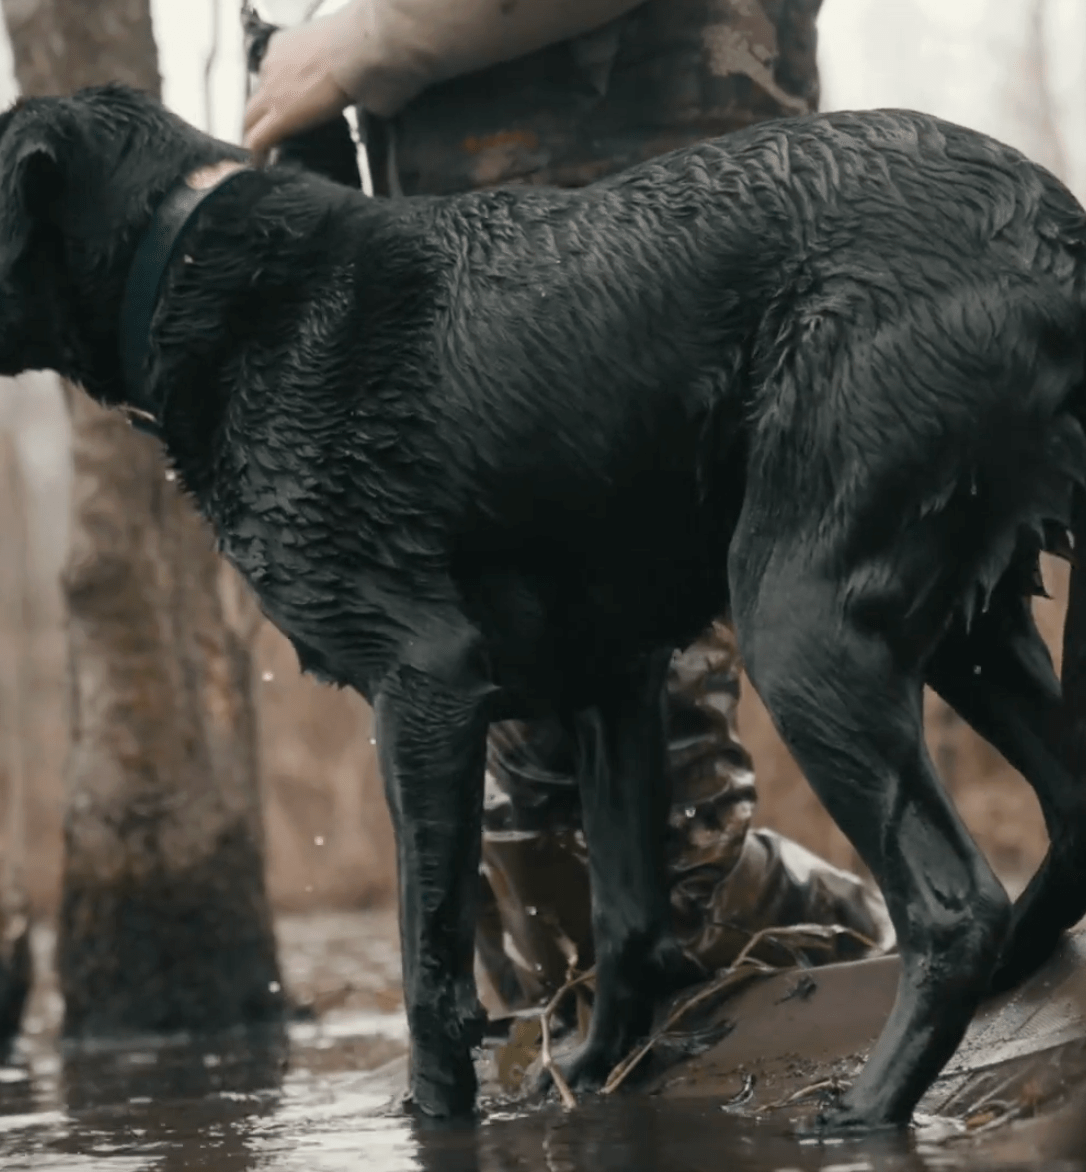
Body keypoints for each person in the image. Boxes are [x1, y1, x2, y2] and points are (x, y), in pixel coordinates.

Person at [243, 0, 892, 1017]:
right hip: (455, 262)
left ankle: (899, 954)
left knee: (657, 880)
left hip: (645, 193)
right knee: (528, 879)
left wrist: (359, 43)